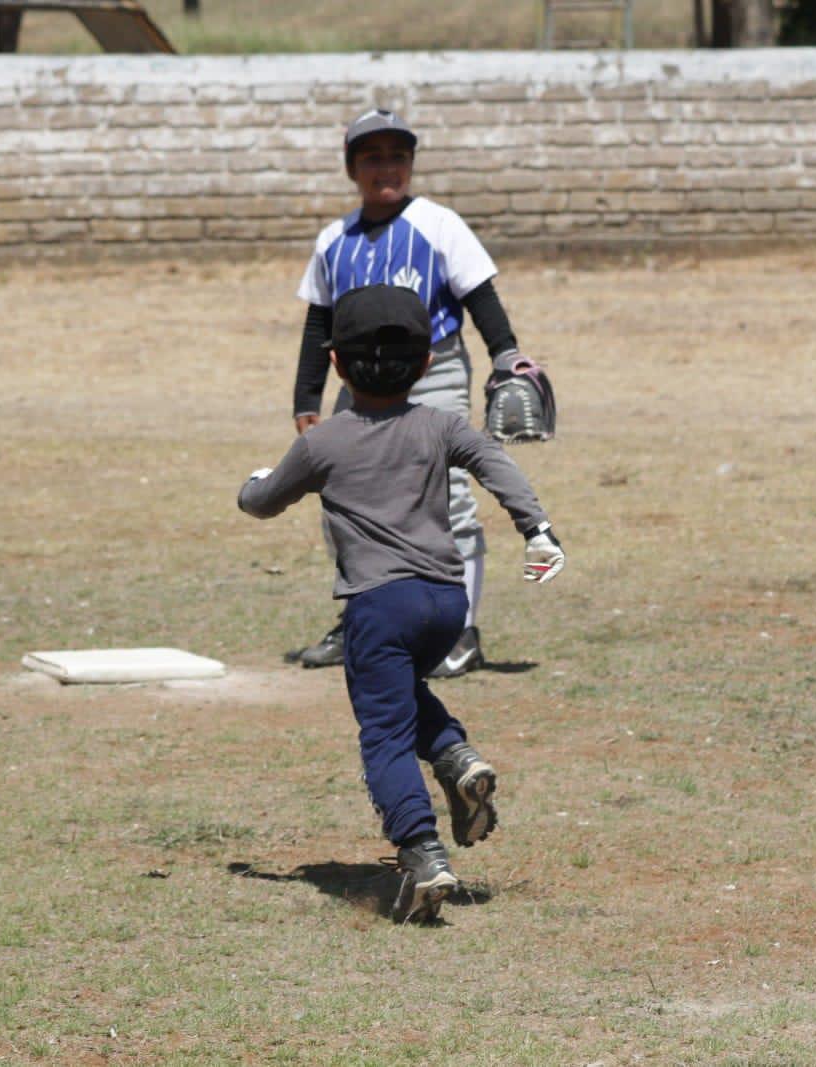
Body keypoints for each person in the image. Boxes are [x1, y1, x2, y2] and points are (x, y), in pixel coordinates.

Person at [239, 285, 565, 924]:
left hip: (376, 607)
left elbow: (263, 501)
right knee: (401, 693)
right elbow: (497, 466)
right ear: (424, 365)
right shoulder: (442, 425)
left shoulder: (323, 443)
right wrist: (539, 531)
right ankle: (455, 757)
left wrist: (249, 484)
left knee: (383, 733)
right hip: (447, 605)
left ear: (336, 365)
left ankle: (421, 853)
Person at [289, 107, 535, 678]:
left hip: (436, 372)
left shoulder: (438, 224)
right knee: (342, 501)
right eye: (372, 157)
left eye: (398, 155)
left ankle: (461, 634)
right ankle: (360, 620)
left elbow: (480, 295)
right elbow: (317, 324)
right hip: (357, 384)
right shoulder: (334, 240)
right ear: (352, 169)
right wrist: (307, 399)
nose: (387, 167)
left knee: (447, 497)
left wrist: (506, 356)